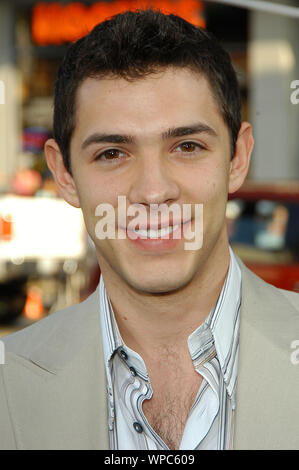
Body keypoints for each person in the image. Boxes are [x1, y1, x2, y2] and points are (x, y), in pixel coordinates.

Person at [1, 9, 298, 450]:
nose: (153, 191)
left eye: (187, 146)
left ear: (237, 158)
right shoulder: (9, 381)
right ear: (64, 174)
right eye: (112, 153)